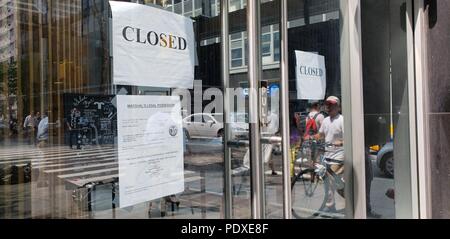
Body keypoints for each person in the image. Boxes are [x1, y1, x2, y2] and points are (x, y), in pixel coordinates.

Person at [306, 96, 344, 213]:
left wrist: (340, 142)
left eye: (332, 104)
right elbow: (321, 134)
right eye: (327, 104)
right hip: (328, 155)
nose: (329, 107)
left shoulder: (342, 120)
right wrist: (311, 137)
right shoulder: (326, 120)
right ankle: (338, 198)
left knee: (329, 180)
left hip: (339, 156)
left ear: (338, 106)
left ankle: (330, 205)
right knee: (331, 181)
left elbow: (349, 137)